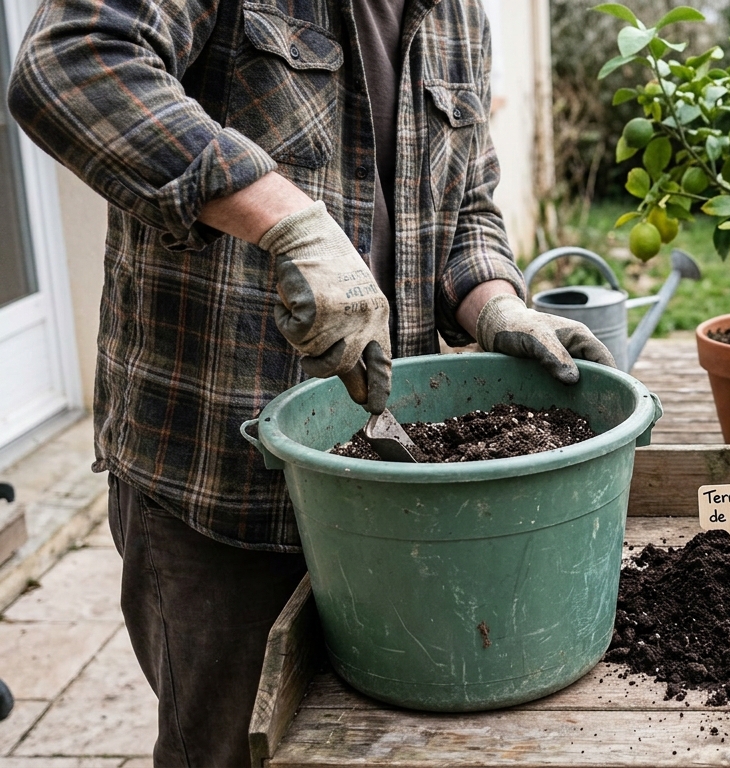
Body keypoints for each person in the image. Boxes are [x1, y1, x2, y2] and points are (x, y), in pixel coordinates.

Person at [6, 0, 612, 764]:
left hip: (387, 488)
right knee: (231, 747)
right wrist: (284, 218)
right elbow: (71, 62)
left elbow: (469, 204)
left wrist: (495, 305)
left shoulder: (458, 14)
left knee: (383, 739)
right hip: (225, 494)